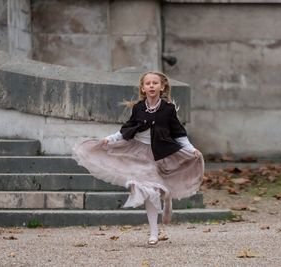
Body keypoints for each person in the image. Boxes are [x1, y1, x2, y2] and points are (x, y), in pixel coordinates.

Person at [72, 71, 204, 245]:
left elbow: (179, 134)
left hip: (161, 153)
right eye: (148, 83)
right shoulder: (138, 108)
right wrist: (109, 139)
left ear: (162, 87)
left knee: (155, 189)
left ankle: (167, 197)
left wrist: (191, 149)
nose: (151, 86)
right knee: (147, 190)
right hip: (138, 154)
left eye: (155, 83)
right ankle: (154, 232)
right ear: (142, 88)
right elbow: (126, 130)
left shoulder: (168, 109)